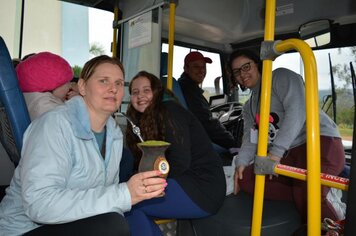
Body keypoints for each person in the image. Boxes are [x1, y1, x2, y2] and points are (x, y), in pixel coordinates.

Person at [0, 55, 167, 236]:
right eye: (104, 81)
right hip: (25, 229)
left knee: (121, 221)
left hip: (71, 221)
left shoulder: (114, 133)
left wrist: (129, 194)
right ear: (82, 87)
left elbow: (106, 197)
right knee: (113, 225)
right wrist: (124, 194)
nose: (113, 89)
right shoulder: (54, 125)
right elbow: (40, 205)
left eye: (119, 83)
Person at [229, 49, 346, 222]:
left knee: (310, 194)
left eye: (246, 67)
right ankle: (302, 195)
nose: (242, 74)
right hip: (289, 152)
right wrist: (241, 163)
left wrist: (275, 154)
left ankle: (336, 219)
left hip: (318, 142)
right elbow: (250, 138)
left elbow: (296, 112)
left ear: (258, 65)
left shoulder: (280, 77)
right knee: (246, 179)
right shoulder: (249, 107)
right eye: (237, 71)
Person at [125, 71, 226, 236]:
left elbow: (180, 162)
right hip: (184, 181)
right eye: (135, 92)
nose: (140, 96)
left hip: (201, 187)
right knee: (128, 202)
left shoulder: (171, 112)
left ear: (157, 92)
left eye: (146, 90)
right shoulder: (143, 119)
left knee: (128, 203)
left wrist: (144, 183)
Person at [178, 51, 240, 152]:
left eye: (203, 67)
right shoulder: (188, 90)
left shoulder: (183, 86)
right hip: (197, 142)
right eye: (196, 66)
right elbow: (206, 122)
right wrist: (232, 142)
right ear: (186, 68)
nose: (201, 70)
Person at [16, 52, 79, 120]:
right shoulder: (51, 110)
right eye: (67, 82)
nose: (70, 86)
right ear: (52, 84)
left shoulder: (34, 99)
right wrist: (77, 103)